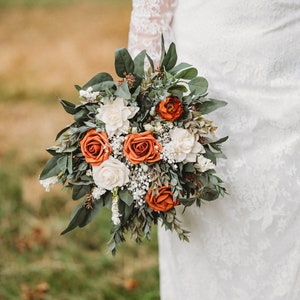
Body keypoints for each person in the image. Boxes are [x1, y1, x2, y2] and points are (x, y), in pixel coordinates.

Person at [128, 1, 300, 299]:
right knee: (206, 228)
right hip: (199, 94)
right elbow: (151, 9)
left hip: (287, 85)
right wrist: (141, 107)